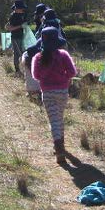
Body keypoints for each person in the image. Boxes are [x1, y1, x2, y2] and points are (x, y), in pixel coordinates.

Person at [31, 26, 78, 164]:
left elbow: (36, 76)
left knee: (54, 121)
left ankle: (59, 149)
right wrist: (63, 76)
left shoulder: (38, 57)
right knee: (59, 118)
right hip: (62, 91)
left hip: (47, 92)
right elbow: (72, 72)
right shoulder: (63, 54)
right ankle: (60, 146)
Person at [7, 0, 28, 73]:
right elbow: (9, 28)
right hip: (15, 37)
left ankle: (24, 68)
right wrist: (20, 26)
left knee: (23, 53)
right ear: (16, 8)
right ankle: (17, 70)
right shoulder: (12, 16)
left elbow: (25, 24)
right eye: (20, 8)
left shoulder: (23, 14)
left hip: (23, 37)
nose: (22, 9)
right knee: (16, 54)